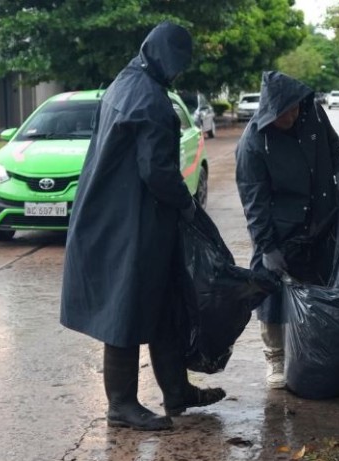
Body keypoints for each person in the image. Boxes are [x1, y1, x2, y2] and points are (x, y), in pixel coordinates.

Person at [60, 21, 225, 431]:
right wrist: (188, 206)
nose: (178, 72)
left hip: (123, 216)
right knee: (126, 307)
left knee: (162, 304)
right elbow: (157, 171)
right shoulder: (149, 99)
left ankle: (176, 392)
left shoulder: (124, 83)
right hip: (130, 223)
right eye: (178, 63)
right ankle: (121, 404)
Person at [235, 71, 339, 389]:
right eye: (283, 112)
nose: (291, 116)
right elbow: (253, 201)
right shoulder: (253, 144)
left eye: (294, 109)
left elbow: (332, 144)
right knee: (271, 294)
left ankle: (313, 350)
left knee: (319, 287)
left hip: (321, 217)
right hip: (279, 228)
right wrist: (266, 246)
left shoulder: (312, 112)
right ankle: (275, 358)